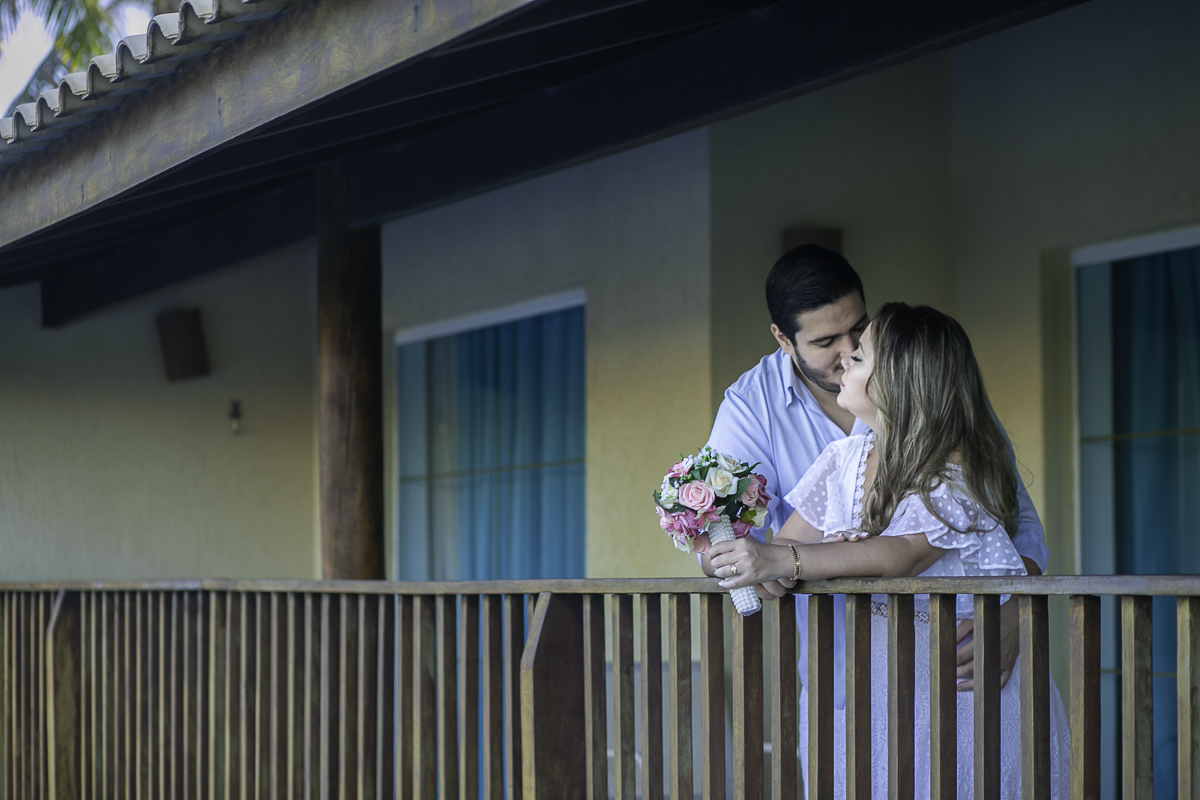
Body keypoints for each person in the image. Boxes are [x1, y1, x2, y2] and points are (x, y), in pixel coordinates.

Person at [708, 302, 1070, 797]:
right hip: (883, 683)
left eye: (857, 357)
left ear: (896, 384)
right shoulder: (845, 459)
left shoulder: (956, 469)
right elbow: (790, 542)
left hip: (964, 685)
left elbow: (902, 553)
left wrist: (786, 561)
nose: (843, 363)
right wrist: (761, 565)